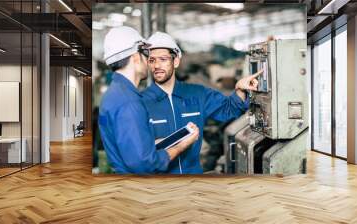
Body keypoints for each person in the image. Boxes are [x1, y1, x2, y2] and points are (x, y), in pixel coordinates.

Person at [141, 31, 261, 174]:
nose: (156, 65)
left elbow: (229, 110)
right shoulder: (141, 102)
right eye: (152, 60)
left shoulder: (198, 94)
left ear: (176, 61)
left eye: (163, 59)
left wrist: (240, 90)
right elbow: (138, 151)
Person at [98, 27, 199, 174]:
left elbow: (131, 147)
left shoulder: (115, 93)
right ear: (136, 57)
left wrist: (165, 142)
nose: (150, 63)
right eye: (146, 55)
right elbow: (144, 164)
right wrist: (182, 145)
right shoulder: (129, 103)